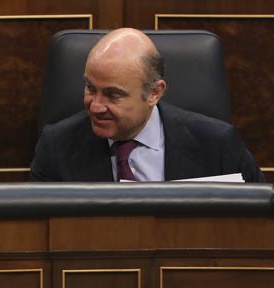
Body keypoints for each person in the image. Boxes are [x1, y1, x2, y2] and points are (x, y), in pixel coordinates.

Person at [30, 28, 265, 182]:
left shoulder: (217, 144)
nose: (96, 106)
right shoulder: (57, 147)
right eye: (90, 88)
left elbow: (260, 222)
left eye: (113, 95)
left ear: (154, 93)